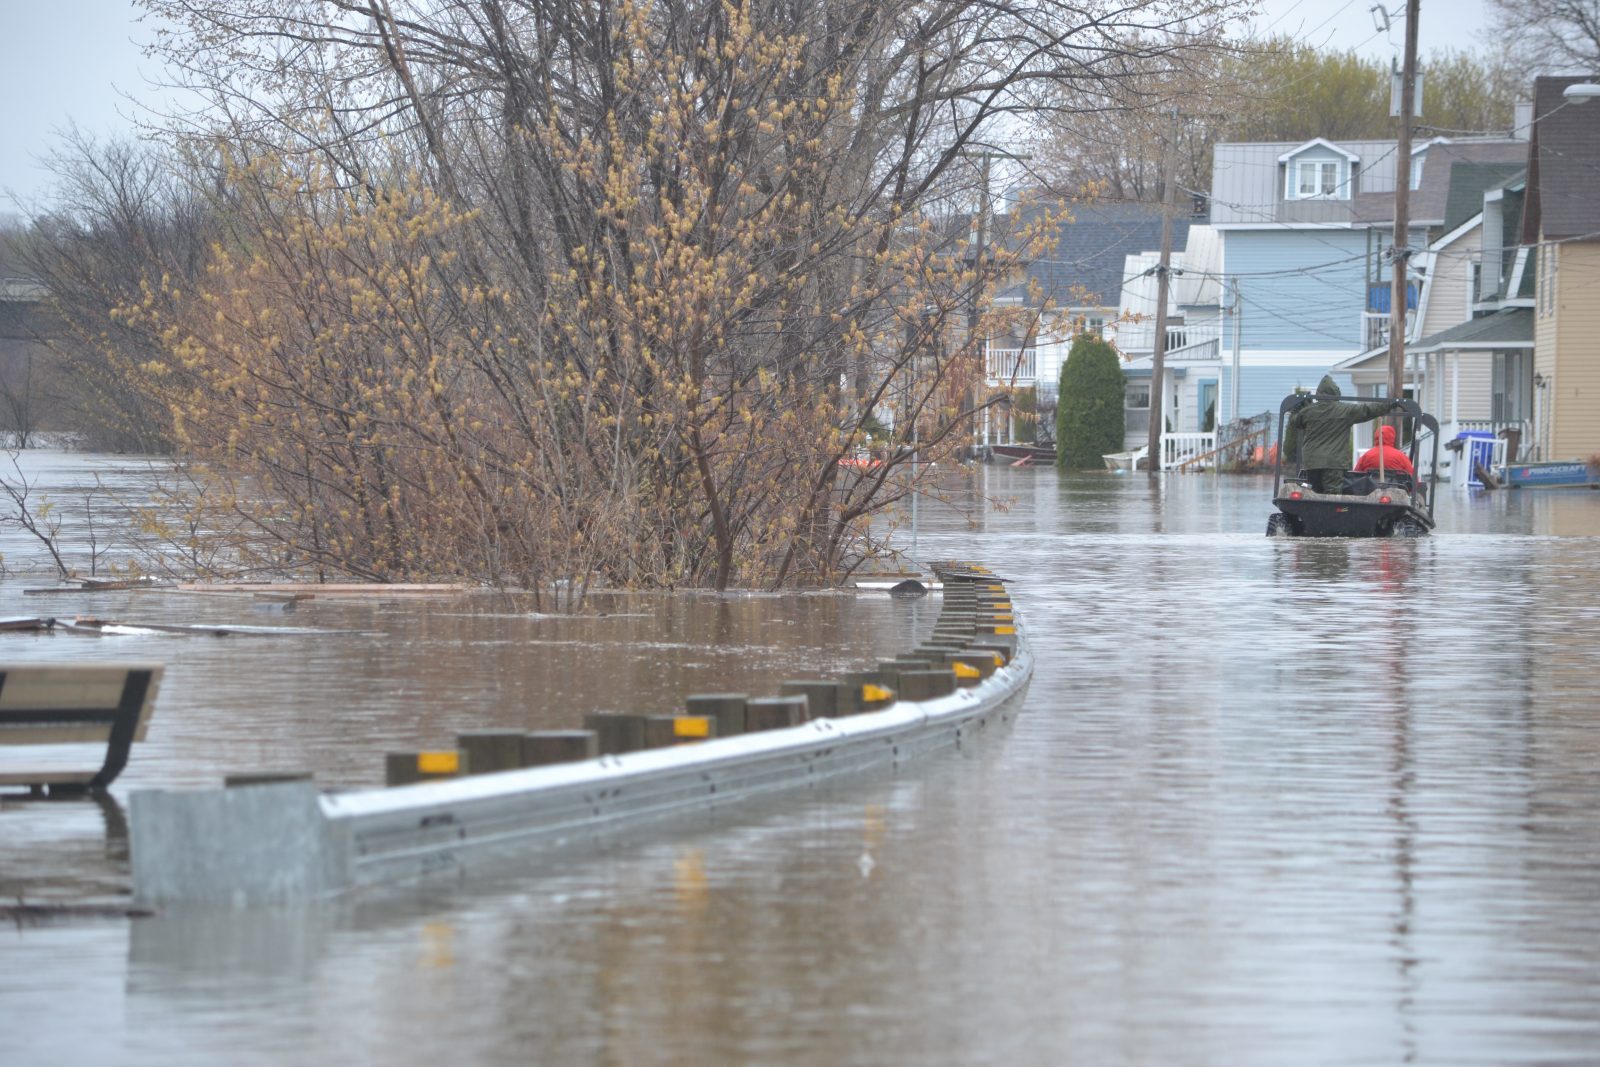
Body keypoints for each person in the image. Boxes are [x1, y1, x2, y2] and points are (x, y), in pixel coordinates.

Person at [1281, 375, 1404, 493]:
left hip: (1312, 462)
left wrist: (1297, 408)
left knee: (1313, 493)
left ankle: (1312, 513)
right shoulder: (1345, 410)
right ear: (1335, 392)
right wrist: (1390, 405)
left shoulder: (1308, 411)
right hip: (1334, 462)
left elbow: (1295, 421)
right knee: (1332, 495)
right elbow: (1368, 410)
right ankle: (1330, 513)